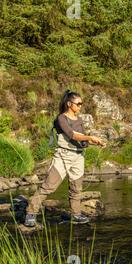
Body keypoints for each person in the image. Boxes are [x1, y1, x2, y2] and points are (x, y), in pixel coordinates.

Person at [24, 90, 106, 228]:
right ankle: (31, 213)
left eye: (81, 103)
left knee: (76, 189)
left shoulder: (79, 120)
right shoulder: (61, 119)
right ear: (69, 104)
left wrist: (94, 142)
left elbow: (82, 140)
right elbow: (72, 135)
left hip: (78, 157)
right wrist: (89, 137)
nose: (80, 106)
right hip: (63, 156)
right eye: (78, 103)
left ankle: (76, 214)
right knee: (48, 187)